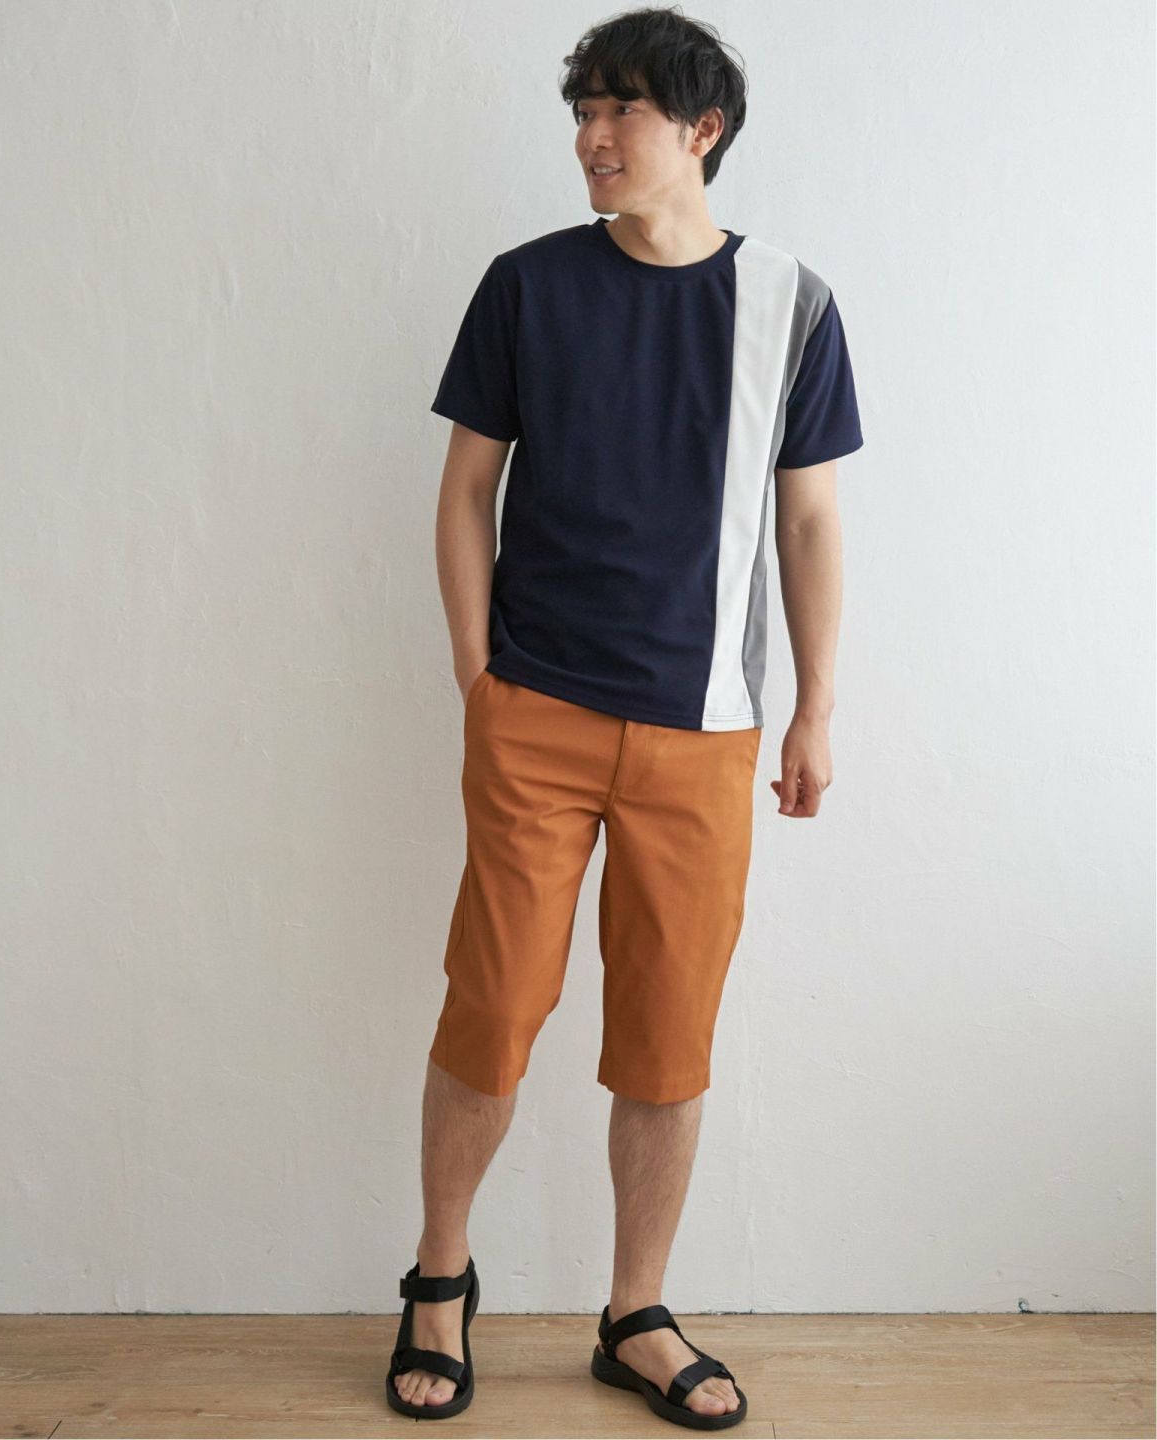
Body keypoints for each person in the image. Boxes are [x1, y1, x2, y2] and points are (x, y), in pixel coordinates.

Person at [386, 6, 863, 1429]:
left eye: (621, 111)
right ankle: (437, 1281)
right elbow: (466, 491)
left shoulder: (792, 304)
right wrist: (477, 678)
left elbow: (810, 519)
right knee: (493, 1006)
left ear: (701, 129)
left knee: (667, 1036)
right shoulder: (527, 287)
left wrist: (815, 708)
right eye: (583, 112)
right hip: (533, 711)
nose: (592, 137)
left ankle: (634, 1312)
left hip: (705, 731)